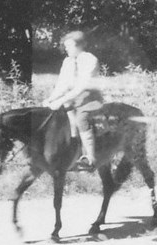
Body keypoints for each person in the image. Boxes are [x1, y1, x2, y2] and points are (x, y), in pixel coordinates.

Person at [43, 31, 103, 171]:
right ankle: (69, 153)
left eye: (69, 46)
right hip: (72, 99)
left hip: (89, 98)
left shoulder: (90, 60)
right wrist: (51, 99)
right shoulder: (68, 62)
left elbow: (81, 87)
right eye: (65, 46)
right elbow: (62, 84)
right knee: (56, 118)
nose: (66, 49)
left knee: (81, 119)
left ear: (79, 46)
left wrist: (61, 100)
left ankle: (90, 158)